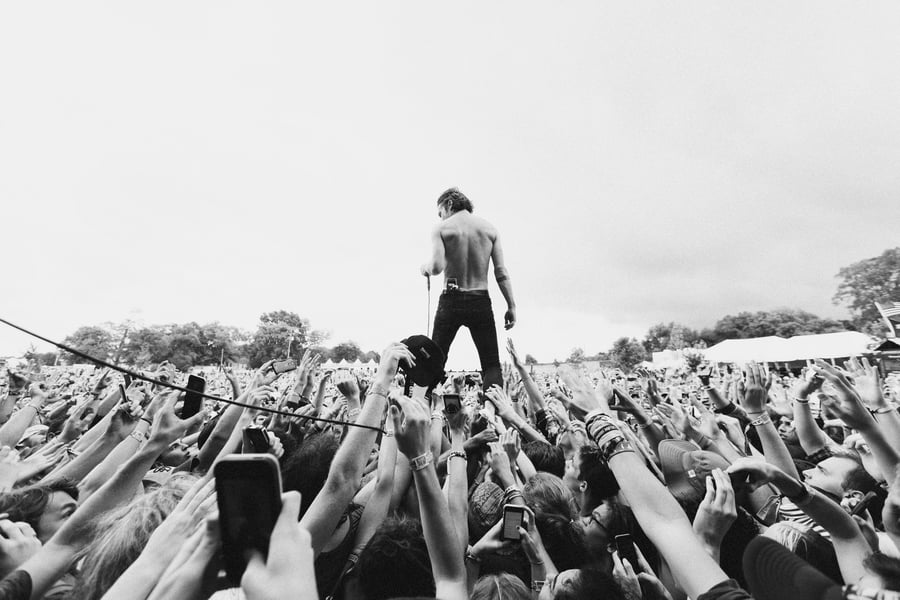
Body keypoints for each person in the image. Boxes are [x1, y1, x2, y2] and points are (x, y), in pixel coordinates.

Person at [421, 187, 516, 390]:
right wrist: (511, 305)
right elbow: (501, 272)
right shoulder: (490, 230)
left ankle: (426, 411)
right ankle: (495, 413)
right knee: (491, 363)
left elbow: (436, 267)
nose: (440, 218)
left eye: (440, 213)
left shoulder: (442, 229)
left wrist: (425, 268)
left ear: (448, 204)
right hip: (480, 300)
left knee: (436, 360)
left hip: (451, 299)